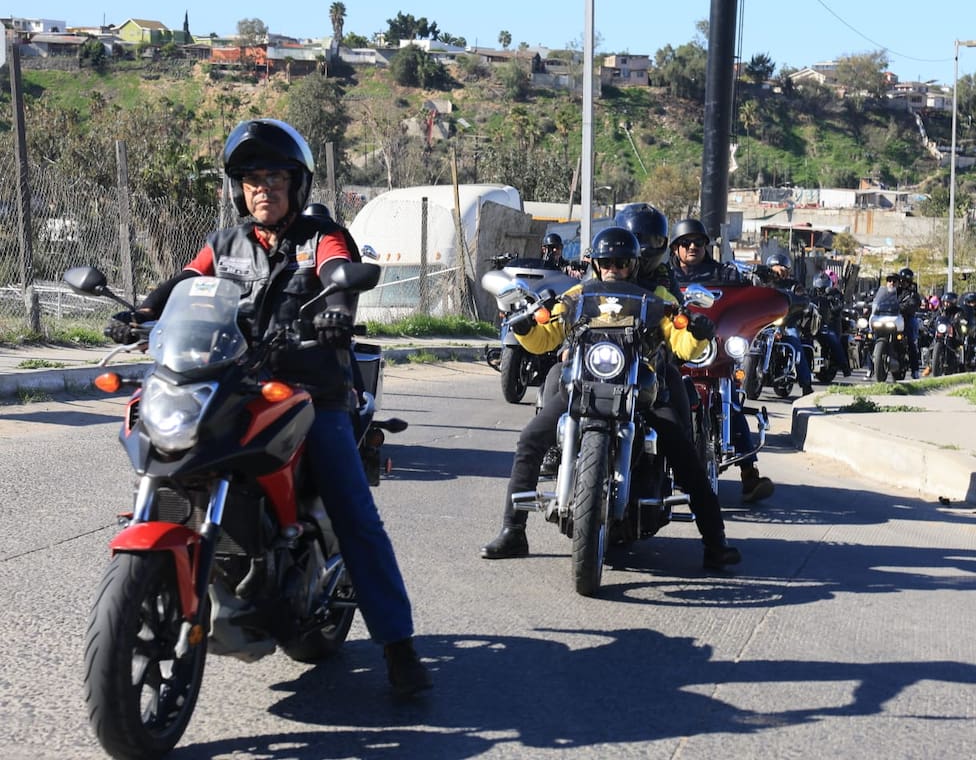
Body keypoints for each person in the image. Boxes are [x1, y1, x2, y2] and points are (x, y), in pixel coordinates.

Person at [103, 119, 431, 697]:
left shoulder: (321, 236)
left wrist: (337, 309)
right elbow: (183, 283)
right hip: (230, 381)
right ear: (238, 189)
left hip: (310, 391)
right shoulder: (225, 244)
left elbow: (338, 275)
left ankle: (399, 649)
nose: (263, 189)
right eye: (251, 179)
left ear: (297, 185)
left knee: (354, 515)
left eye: (275, 177)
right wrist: (142, 312)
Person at [480, 227, 742, 570]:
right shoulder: (577, 294)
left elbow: (682, 344)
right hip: (583, 381)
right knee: (531, 438)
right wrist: (525, 328)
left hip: (640, 385)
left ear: (633, 264)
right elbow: (546, 338)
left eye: (621, 262)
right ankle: (513, 530)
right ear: (597, 263)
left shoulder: (657, 297)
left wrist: (696, 332)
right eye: (607, 262)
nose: (613, 268)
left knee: (682, 448)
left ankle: (714, 541)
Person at [666, 218, 774, 503]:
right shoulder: (664, 277)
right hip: (678, 355)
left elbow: (742, 296)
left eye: (698, 243)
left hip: (715, 351)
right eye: (686, 243)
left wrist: (755, 286)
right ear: (675, 248)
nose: (692, 247)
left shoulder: (724, 274)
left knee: (734, 407)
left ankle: (749, 476)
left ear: (706, 246)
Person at [755, 251, 815, 397]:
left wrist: (798, 302)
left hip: (786, 323)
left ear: (788, 271)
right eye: (775, 269)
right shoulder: (762, 283)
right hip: (764, 322)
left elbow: (804, 300)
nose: (778, 273)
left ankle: (806, 384)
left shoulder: (793, 285)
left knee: (795, 343)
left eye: (782, 270)